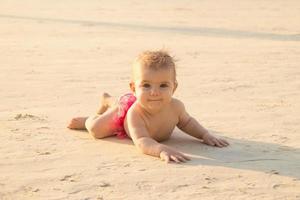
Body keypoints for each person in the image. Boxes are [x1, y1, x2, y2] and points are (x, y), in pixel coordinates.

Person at [67, 50, 229, 163]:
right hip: (122, 114)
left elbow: (187, 123)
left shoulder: (176, 107)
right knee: (97, 129)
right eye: (146, 85)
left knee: (115, 110)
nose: (154, 92)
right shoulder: (135, 114)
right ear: (133, 88)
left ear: (174, 87)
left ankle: (109, 100)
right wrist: (160, 150)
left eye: (163, 85)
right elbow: (142, 140)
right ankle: (92, 116)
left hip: (135, 103)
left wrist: (205, 135)